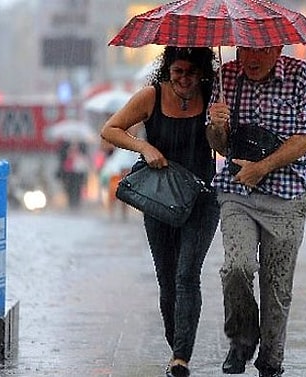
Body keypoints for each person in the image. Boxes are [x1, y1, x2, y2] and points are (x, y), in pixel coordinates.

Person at [100, 46, 220, 377]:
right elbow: (110, 129)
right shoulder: (150, 96)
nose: (184, 79)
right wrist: (145, 147)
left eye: (191, 73)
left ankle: (181, 357)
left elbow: (224, 147)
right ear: (168, 70)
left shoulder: (214, 98)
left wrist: (221, 125)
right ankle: (176, 345)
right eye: (178, 71)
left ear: (202, 73)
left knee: (186, 275)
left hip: (203, 197)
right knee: (167, 282)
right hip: (160, 198)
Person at [206, 46, 306, 377]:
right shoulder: (226, 76)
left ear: (278, 48)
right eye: (245, 50)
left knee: (277, 286)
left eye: (260, 51)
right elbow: (218, 143)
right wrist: (217, 125)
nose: (251, 59)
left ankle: (271, 359)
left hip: (287, 196)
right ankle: (241, 340)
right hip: (237, 192)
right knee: (237, 268)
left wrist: (262, 167)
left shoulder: (303, 77)